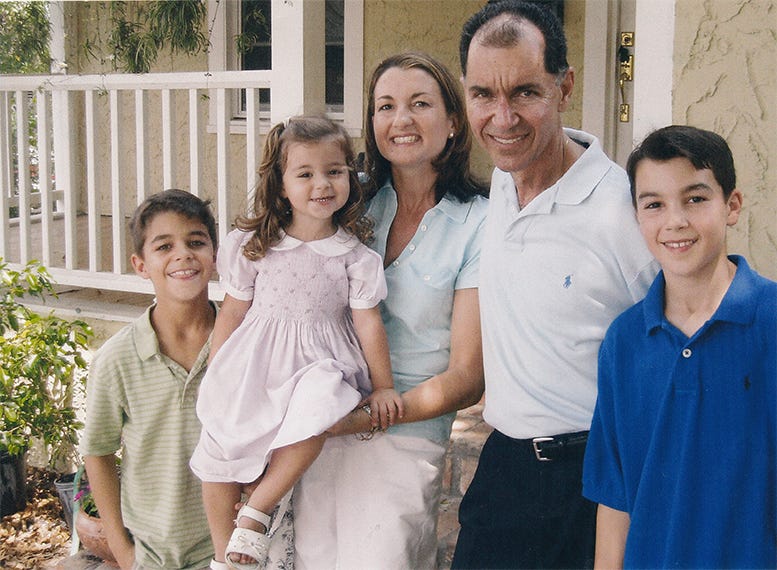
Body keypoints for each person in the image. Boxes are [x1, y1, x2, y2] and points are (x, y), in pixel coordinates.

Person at [452, 2, 659, 568]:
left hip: (590, 481)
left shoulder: (622, 212)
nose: (502, 117)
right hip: (503, 469)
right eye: (482, 95)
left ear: (564, 86)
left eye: (524, 92)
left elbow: (675, 343)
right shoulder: (497, 182)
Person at [293, 52, 489, 569]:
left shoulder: (480, 222)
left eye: (419, 103)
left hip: (403, 438)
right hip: (318, 425)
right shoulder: (348, 204)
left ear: (452, 122)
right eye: (385, 106)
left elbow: (467, 377)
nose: (400, 119)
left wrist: (360, 417)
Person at [189, 116, 403, 570]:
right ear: (281, 185)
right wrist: (218, 367)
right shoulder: (255, 245)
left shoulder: (354, 257)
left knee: (320, 406)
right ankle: (225, 553)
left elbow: (369, 326)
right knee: (219, 443)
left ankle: (258, 508)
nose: (321, 183)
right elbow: (232, 311)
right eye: (305, 174)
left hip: (320, 363)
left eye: (334, 171)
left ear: (350, 175)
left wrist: (382, 386)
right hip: (259, 360)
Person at [583, 125, 777, 569]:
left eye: (695, 198)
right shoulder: (624, 343)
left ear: (732, 205)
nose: (675, 221)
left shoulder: (770, 320)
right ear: (637, 217)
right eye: (654, 204)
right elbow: (614, 502)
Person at [81, 189, 218, 570]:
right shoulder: (117, 359)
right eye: (164, 246)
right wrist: (124, 551)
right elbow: (98, 451)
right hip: (154, 555)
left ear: (215, 256)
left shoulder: (242, 341)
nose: (183, 254)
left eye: (196, 242)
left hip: (231, 547)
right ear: (140, 265)